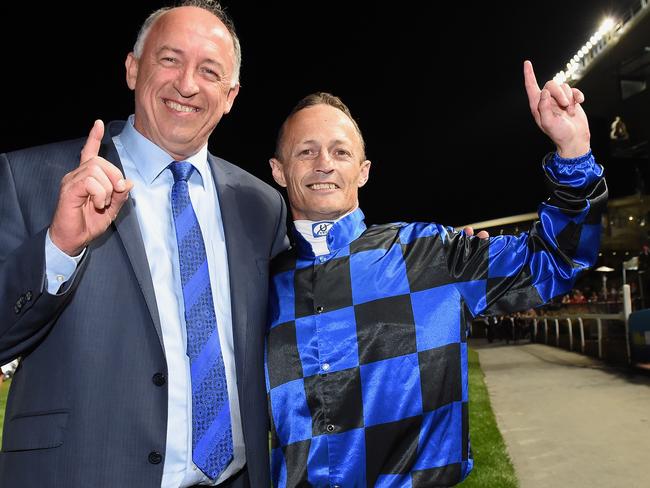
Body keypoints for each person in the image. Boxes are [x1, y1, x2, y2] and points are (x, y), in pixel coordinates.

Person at [264, 60, 607, 487]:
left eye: (340, 151)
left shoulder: (432, 255)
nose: (324, 164)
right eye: (306, 151)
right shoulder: (255, 283)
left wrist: (574, 153)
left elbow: (555, 259)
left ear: (363, 170)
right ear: (279, 170)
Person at [0, 2, 287, 487]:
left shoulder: (261, 206)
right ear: (133, 68)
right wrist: (58, 247)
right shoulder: (34, 178)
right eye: (170, 59)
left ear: (231, 94)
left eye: (209, 71)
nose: (187, 84)